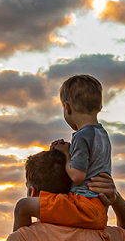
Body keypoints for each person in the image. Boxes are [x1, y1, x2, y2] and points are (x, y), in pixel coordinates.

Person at [12, 74, 111, 232]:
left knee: (23, 206)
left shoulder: (81, 136)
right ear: (99, 106)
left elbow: (77, 176)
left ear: (67, 107)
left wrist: (66, 155)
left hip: (83, 207)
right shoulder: (102, 134)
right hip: (100, 208)